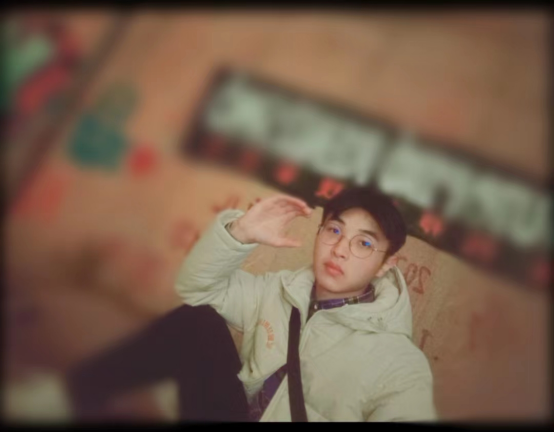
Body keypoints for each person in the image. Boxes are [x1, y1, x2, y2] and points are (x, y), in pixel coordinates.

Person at [10, 187, 437, 422]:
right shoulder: (280, 291)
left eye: (364, 243)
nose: (340, 249)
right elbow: (197, 290)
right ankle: (67, 394)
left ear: (386, 263)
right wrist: (239, 234)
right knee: (198, 323)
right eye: (334, 231)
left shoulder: (399, 363)